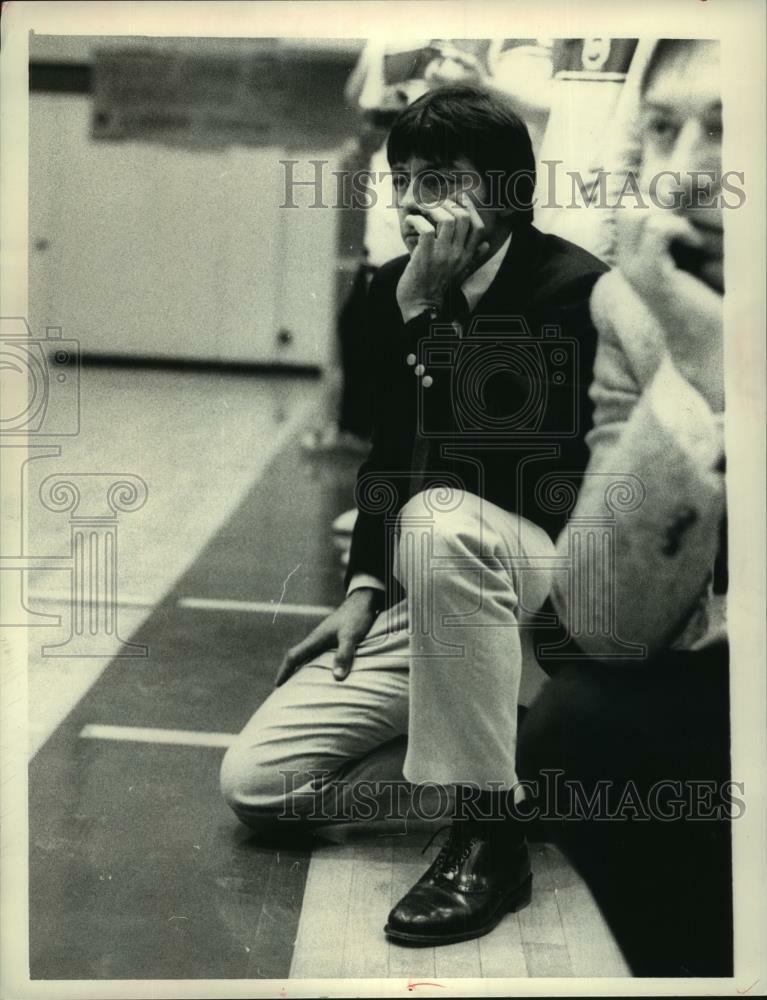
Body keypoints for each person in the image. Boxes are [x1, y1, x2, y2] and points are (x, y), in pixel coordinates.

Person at [221, 84, 608, 947]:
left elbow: (500, 468)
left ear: (503, 190)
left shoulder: (574, 292)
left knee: (439, 524)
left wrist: (424, 321)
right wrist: (362, 585)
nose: (407, 201)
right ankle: (521, 780)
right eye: (402, 179)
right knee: (259, 782)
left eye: (437, 180)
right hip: (442, 592)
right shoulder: (391, 292)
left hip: (555, 593)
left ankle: (486, 834)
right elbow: (388, 453)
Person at [517, 40, 731, 975]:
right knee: (583, 724)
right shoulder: (646, 308)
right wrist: (697, 379)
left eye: (733, 131)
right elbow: (599, 621)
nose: (684, 177)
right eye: (661, 129)